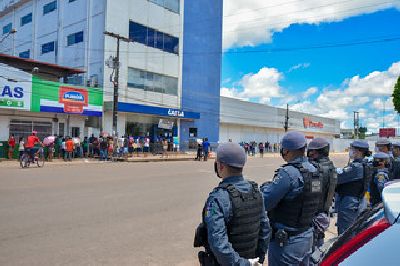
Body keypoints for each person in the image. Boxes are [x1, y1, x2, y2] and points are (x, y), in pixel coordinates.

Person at [194, 142, 270, 265]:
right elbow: (265, 229)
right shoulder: (256, 192)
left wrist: (244, 264)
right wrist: (257, 260)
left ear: (221, 166)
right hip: (251, 260)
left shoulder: (218, 198)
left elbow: (218, 243)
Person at [261, 131, 322, 266]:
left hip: (287, 242)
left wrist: (265, 188)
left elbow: (265, 202)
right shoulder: (315, 170)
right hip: (307, 236)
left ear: (286, 151)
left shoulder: (288, 173)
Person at [336, 140, 371, 235]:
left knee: (345, 233)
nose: (350, 151)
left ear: (359, 151)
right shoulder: (364, 164)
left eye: (352, 149)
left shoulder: (356, 167)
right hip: (357, 201)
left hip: (349, 204)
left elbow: (338, 177)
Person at [307, 138, 337, 250]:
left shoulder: (315, 169)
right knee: (318, 247)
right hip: (324, 211)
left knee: (311, 250)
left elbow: (312, 193)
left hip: (314, 214)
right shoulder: (331, 167)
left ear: (314, 152)